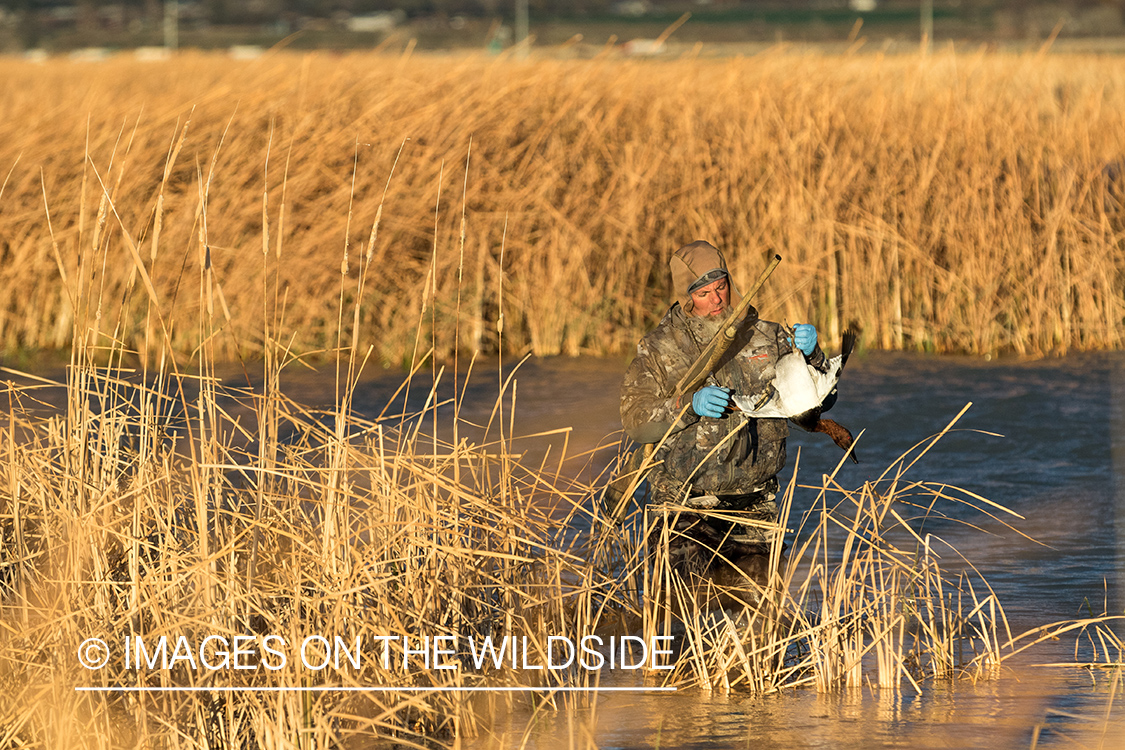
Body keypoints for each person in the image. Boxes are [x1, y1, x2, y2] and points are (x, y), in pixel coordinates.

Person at [619, 240, 830, 579]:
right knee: (682, 618)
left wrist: (813, 358)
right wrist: (688, 407)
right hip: (683, 507)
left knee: (761, 624)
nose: (717, 299)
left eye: (721, 287)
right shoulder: (660, 348)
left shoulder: (767, 337)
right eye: (703, 293)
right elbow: (636, 421)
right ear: (687, 297)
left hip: (755, 507)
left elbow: (814, 408)